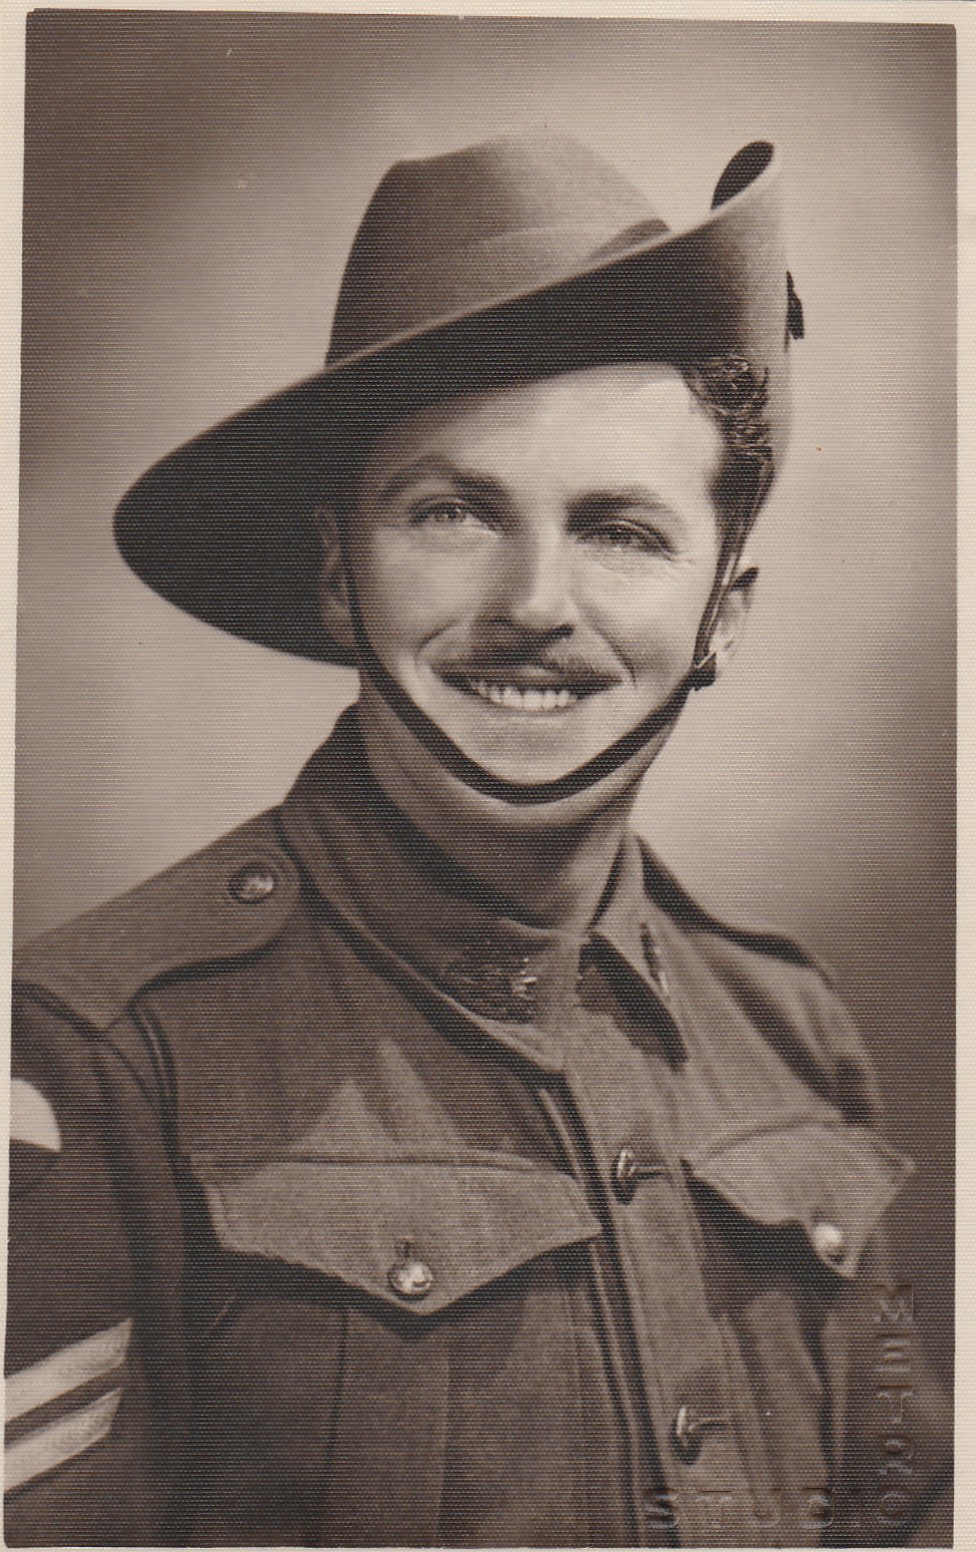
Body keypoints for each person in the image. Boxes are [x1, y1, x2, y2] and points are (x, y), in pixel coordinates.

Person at [6, 132, 951, 1547]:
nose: (534, 604)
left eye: (621, 531)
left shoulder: (790, 1031)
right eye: (453, 512)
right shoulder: (101, 1054)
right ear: (340, 573)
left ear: (723, 620)